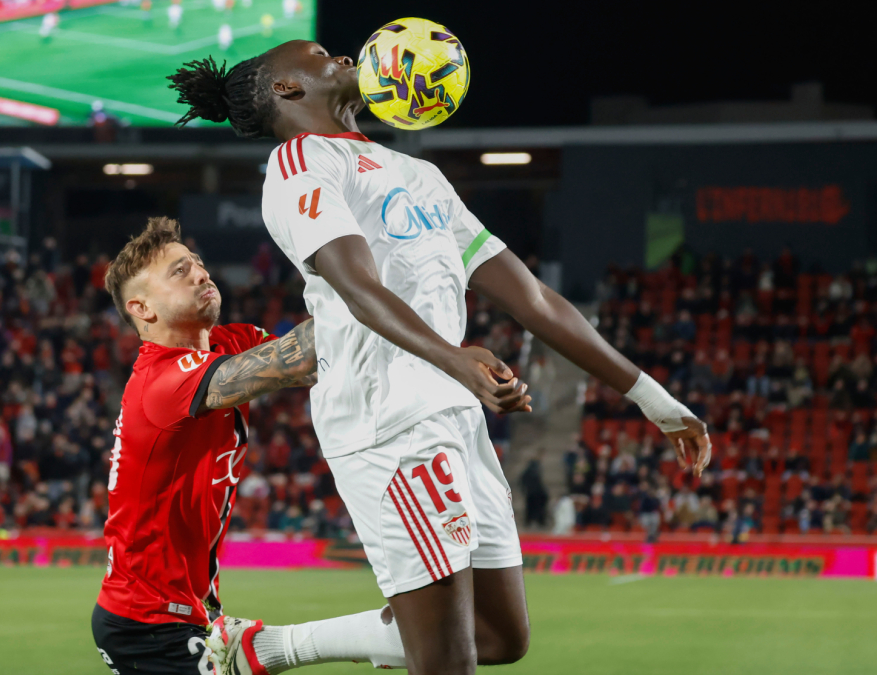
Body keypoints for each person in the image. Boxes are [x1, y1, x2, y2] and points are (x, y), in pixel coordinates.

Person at [169, 41, 713, 675]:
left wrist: (653, 398)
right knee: (449, 661)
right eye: (320, 55)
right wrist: (454, 359)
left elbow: (534, 298)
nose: (342, 55)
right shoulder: (300, 163)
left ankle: (265, 649)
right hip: (389, 421)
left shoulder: (419, 173)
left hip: (454, 414)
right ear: (287, 89)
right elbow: (359, 288)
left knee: (501, 637)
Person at [90, 217, 318, 674]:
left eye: (196, 262)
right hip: (147, 623)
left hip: (185, 611)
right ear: (142, 308)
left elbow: (317, 362)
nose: (201, 273)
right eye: (180, 271)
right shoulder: (159, 381)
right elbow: (302, 356)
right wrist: (367, 283)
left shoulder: (230, 342)